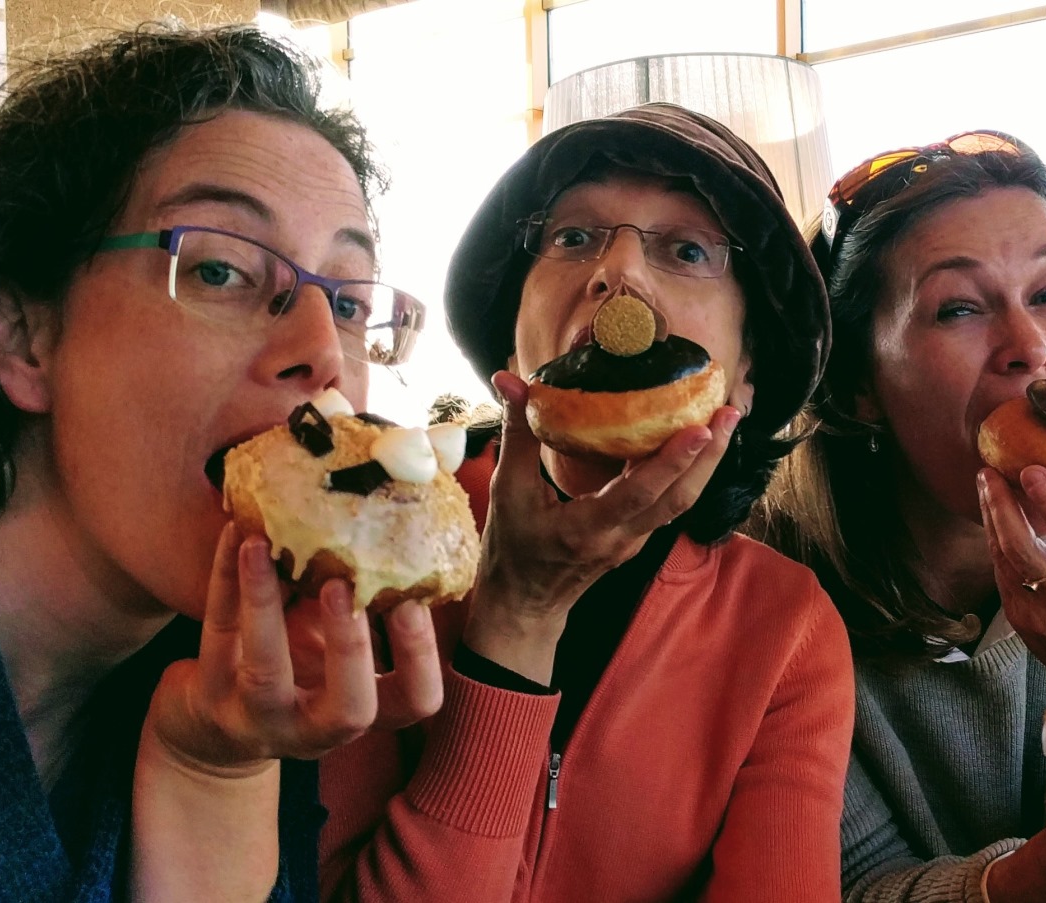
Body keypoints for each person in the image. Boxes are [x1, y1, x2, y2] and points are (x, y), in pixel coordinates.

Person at [0, 26, 442, 901]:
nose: (324, 355)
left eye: (345, 300)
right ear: (22, 335)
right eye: (222, 269)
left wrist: (215, 770)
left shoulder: (241, 680)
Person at [317, 103, 855, 902]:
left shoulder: (785, 628)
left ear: (748, 368)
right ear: (511, 343)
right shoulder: (366, 537)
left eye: (686, 250)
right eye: (573, 237)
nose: (622, 275)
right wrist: (514, 621)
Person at [749, 132, 1046, 901]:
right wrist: (1014, 888)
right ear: (855, 384)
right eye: (958, 307)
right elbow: (836, 884)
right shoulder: (769, 572)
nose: (1031, 347)